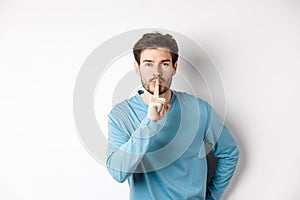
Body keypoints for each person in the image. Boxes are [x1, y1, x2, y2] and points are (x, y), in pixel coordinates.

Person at [105, 32, 239, 200]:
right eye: (148, 64)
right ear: (137, 67)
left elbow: (230, 152)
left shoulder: (199, 109)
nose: (157, 72)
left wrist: (211, 197)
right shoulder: (121, 115)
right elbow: (118, 172)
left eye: (165, 64)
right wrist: (151, 123)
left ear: (175, 67)